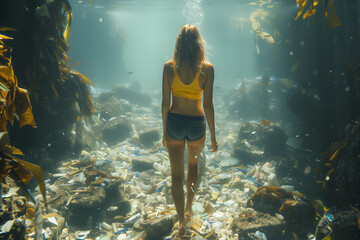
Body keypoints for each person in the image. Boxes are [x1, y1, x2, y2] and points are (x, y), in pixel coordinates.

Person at [161, 24, 218, 237]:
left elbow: (165, 102)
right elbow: (209, 104)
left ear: (178, 43)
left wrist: (163, 129)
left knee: (176, 176)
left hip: (174, 122)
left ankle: (181, 222)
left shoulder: (168, 67)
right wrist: (213, 135)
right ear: (198, 44)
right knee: (193, 167)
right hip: (196, 123)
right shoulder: (207, 69)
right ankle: (188, 209)